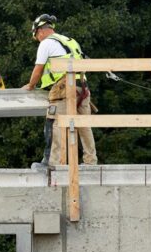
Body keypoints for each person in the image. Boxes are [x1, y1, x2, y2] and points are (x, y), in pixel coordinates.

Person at [21, 14, 98, 169]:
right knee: (84, 124)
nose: (37, 39)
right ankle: (91, 162)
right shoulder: (70, 41)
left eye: (36, 35)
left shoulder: (46, 43)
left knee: (54, 122)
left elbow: (39, 68)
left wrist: (30, 85)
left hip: (64, 87)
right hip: (82, 86)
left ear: (40, 31)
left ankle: (52, 163)